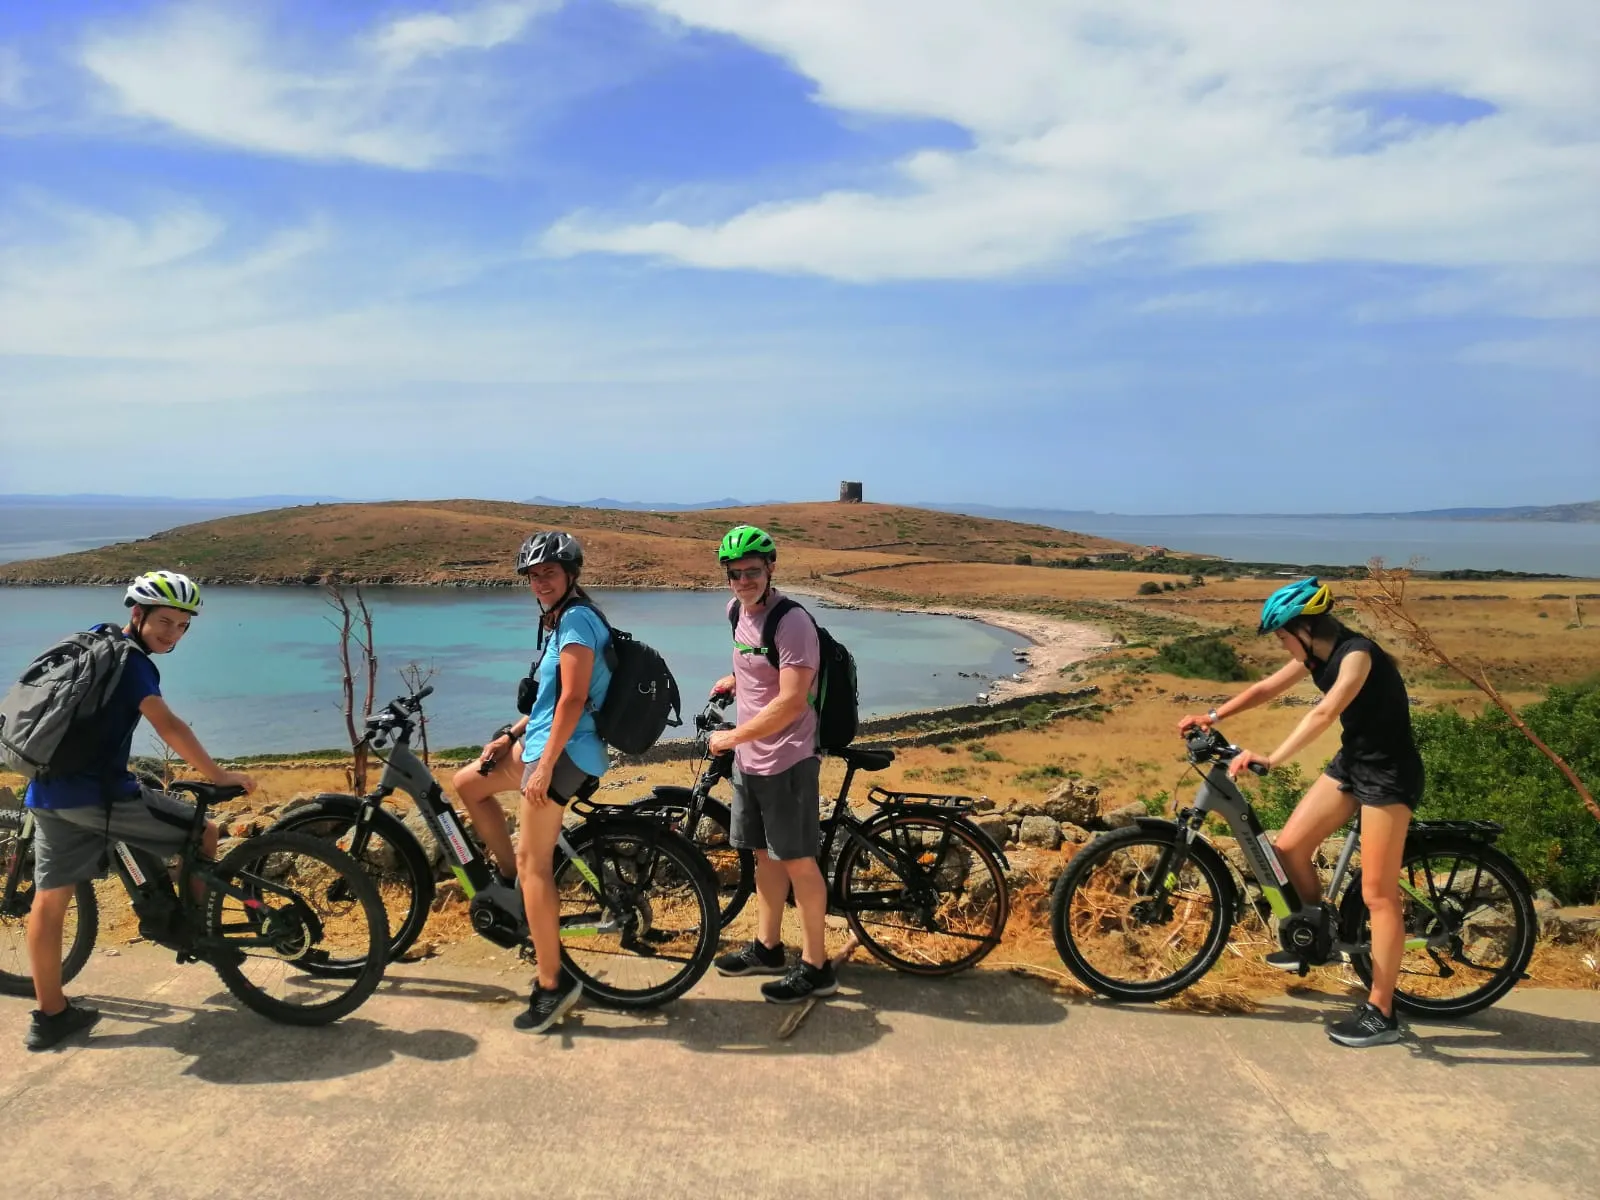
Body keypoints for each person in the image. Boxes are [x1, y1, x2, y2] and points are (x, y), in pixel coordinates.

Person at [1178, 577, 1424, 1048]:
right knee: (1288, 848)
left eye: (1283, 635)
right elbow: (1265, 688)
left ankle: (1382, 1011)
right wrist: (1213, 717)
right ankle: (1319, 935)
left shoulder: (1357, 655)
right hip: (1353, 763)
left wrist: (1272, 757)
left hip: (1389, 775)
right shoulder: (1314, 656)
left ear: (1305, 629)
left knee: (1378, 894)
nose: (1281, 644)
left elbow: (1323, 714)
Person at [22, 571, 256, 1051]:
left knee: (48, 900)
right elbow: (166, 722)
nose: (172, 634)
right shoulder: (133, 664)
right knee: (205, 831)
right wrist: (217, 775)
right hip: (101, 797)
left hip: (47, 792)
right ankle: (198, 933)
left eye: (182, 626)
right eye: (164, 622)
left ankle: (50, 1015)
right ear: (138, 613)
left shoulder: (92, 640)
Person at [452, 531, 612, 1033]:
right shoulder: (558, 619)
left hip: (564, 753)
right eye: (533, 575)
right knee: (467, 784)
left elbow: (572, 699)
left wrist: (542, 766)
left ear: (570, 575)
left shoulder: (579, 622)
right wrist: (509, 735)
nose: (539, 581)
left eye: (548, 572)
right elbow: (548, 700)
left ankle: (553, 983)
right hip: (541, 741)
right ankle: (512, 884)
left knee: (535, 862)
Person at [708, 525, 838, 1003]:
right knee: (763, 856)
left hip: (788, 760)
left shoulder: (793, 622)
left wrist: (732, 737)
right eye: (734, 573)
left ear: (771, 569)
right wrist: (733, 682)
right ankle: (767, 947)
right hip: (751, 760)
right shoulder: (736, 613)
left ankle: (817, 966)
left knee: (799, 863)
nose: (742, 581)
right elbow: (755, 669)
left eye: (751, 572)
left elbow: (791, 702)